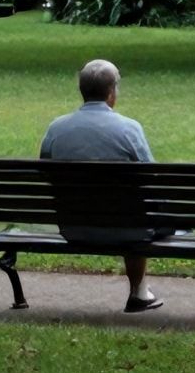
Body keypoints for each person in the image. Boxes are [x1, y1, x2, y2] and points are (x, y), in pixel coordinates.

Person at [38, 58, 167, 314]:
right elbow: (151, 177)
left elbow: (45, 171)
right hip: (127, 228)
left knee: (130, 210)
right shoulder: (129, 129)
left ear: (82, 91)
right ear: (111, 93)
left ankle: (140, 291)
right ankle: (138, 292)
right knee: (135, 211)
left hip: (74, 226)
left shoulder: (56, 128)